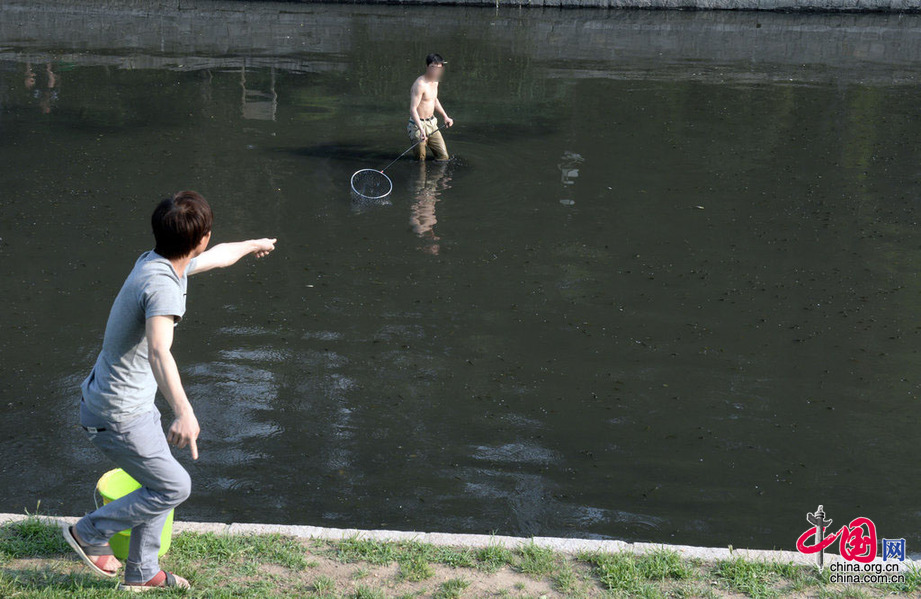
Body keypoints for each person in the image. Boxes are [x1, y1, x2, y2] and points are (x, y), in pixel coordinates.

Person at [62, 191, 277, 591]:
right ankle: (88, 533)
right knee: (174, 486)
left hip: (126, 403)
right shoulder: (162, 288)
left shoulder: (156, 262)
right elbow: (160, 350)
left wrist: (252, 245)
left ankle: (142, 573)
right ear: (202, 237)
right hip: (117, 411)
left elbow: (213, 259)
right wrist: (184, 411)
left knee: (160, 483)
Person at [408, 53, 454, 161]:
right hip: (417, 126)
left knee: (443, 157)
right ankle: (420, 177)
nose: (436, 71)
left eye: (439, 68)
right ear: (427, 67)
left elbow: (434, 100)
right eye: (433, 68)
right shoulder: (420, 84)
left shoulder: (435, 81)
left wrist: (445, 116)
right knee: (420, 160)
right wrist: (421, 129)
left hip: (432, 124)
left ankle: (440, 177)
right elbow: (413, 109)